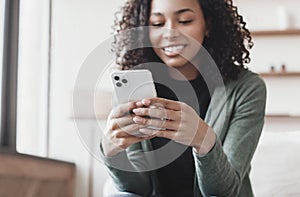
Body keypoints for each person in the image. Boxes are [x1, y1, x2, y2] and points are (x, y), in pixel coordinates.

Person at [100, 0, 266, 196]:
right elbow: (138, 189)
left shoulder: (245, 88)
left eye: (185, 20)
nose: (170, 33)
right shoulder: (133, 90)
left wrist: (203, 140)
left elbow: (225, 191)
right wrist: (112, 153)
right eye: (157, 24)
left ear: (209, 25)